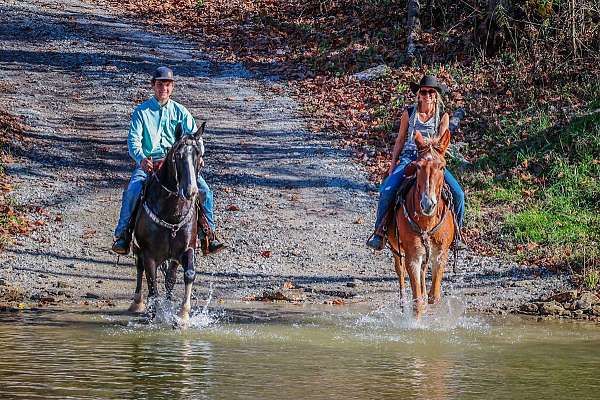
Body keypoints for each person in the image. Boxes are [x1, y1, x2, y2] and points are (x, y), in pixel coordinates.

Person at [112, 66, 225, 256]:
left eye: (167, 84)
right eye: (160, 84)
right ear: (153, 85)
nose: (163, 88)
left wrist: (200, 155)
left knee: (204, 190)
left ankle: (209, 235)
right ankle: (123, 234)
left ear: (172, 87)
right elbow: (133, 141)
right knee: (133, 189)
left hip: (179, 164)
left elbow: (196, 139)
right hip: (151, 163)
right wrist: (140, 159)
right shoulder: (141, 112)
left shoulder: (181, 112)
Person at [366, 75, 465, 250]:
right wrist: (392, 164)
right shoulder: (409, 113)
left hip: (431, 159)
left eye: (431, 92)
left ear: (436, 95)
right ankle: (380, 232)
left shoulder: (443, 116)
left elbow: (442, 142)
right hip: (409, 157)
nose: (427, 95)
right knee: (387, 190)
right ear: (418, 94)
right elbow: (400, 139)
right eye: (424, 92)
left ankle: (457, 235)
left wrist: (432, 152)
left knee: (458, 194)